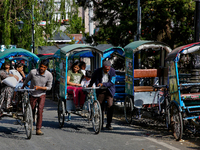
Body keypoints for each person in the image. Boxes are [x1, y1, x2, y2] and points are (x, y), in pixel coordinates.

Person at [21, 59, 53, 135]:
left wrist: (40, 88)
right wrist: (23, 87)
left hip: (42, 94)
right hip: (32, 93)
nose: (42, 68)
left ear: (46, 68)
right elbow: (26, 80)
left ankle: (38, 129)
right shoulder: (33, 72)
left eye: (44, 67)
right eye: (41, 66)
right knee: (31, 109)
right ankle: (31, 122)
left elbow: (49, 87)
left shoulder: (49, 75)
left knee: (40, 111)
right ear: (39, 66)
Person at [88, 60, 116, 130]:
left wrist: (103, 84)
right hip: (100, 90)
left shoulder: (112, 71)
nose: (107, 70)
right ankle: (101, 123)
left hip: (109, 90)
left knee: (110, 105)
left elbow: (112, 82)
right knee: (100, 106)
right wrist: (89, 87)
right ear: (103, 67)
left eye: (108, 69)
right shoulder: (97, 71)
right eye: (105, 69)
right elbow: (93, 79)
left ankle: (109, 123)